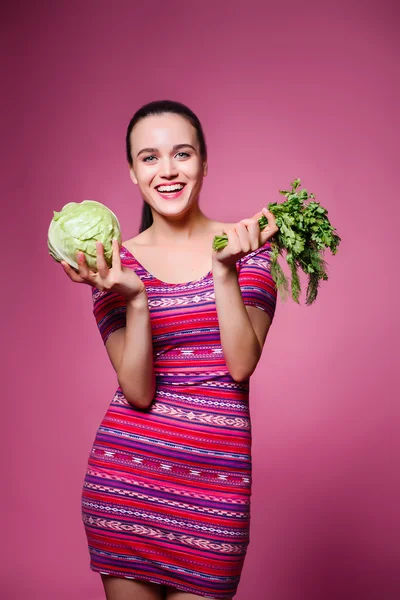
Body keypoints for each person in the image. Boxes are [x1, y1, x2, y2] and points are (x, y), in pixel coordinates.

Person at [61, 100, 279, 600]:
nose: (168, 170)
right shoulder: (113, 265)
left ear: (204, 161)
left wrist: (224, 268)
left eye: (181, 154)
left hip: (216, 493)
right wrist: (134, 298)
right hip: (127, 487)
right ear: (133, 173)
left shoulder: (251, 248)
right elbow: (137, 391)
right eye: (150, 157)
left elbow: (240, 365)